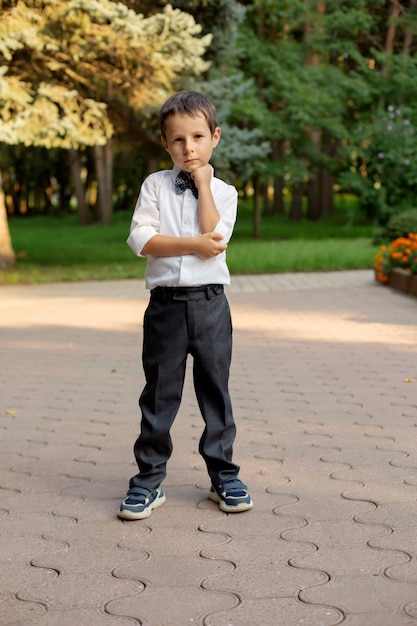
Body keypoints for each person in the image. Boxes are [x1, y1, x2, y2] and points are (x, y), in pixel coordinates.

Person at [117, 90, 253, 520]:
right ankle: (148, 481)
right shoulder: (154, 185)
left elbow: (215, 237)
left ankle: (224, 476)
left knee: (216, 390)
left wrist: (202, 184)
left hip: (211, 305)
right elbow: (142, 240)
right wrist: (193, 244)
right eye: (178, 140)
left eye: (197, 137)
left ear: (214, 137)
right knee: (159, 394)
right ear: (165, 143)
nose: (188, 147)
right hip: (166, 308)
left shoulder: (225, 192)